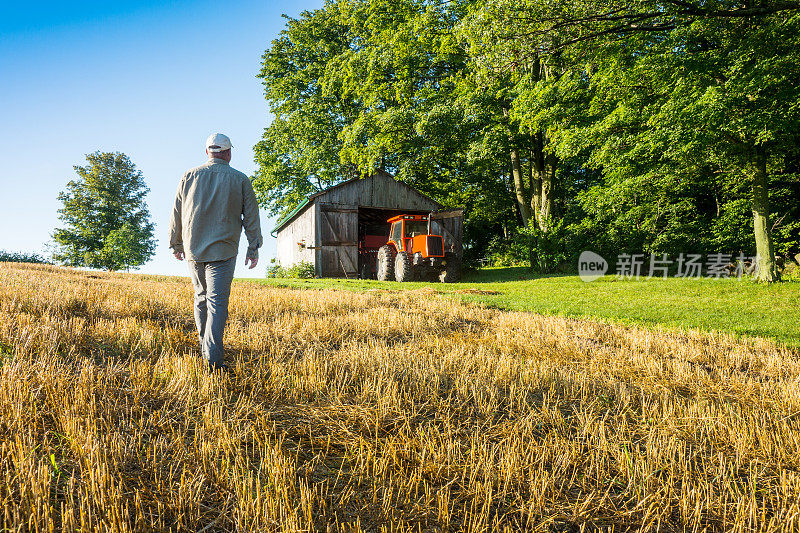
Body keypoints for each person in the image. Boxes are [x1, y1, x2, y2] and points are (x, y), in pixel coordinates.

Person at [169, 133, 262, 372]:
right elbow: (250, 216)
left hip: (194, 248)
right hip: (224, 249)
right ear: (229, 153)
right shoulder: (240, 179)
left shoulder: (188, 176)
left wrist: (176, 244)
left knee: (201, 298)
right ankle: (212, 360)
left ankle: (206, 348)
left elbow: (177, 212)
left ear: (207, 152)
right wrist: (254, 247)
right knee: (217, 303)